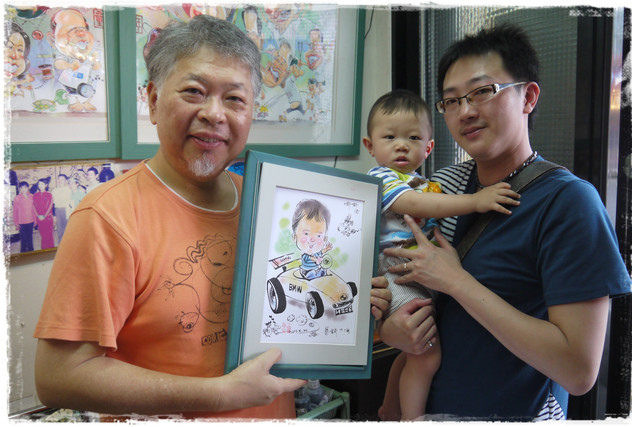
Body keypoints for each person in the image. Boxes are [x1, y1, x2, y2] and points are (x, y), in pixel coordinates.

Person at [32, 14, 392, 421]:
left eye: (235, 99)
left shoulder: (271, 205)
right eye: (194, 91)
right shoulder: (107, 216)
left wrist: (357, 314)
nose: (214, 114)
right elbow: (59, 376)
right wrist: (220, 395)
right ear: (153, 100)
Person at [377, 24, 632, 420]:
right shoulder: (441, 188)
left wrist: (457, 282)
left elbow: (579, 372)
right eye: (451, 101)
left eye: (483, 91)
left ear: (528, 97)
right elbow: (398, 278)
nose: (466, 111)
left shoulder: (567, 203)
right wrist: (388, 329)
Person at [363, 89, 520, 421]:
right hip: (396, 268)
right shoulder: (381, 178)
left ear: (428, 147)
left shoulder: (423, 181)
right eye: (390, 137)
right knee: (426, 356)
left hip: (420, 268)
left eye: (413, 137)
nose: (401, 145)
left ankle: (389, 410)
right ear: (370, 146)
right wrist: (476, 201)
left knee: (412, 352)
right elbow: (414, 205)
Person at [291, 199, 334, 280]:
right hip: (306, 271)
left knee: (323, 270)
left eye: (318, 236)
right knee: (311, 273)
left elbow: (321, 252)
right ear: (294, 237)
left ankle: (319, 273)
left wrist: (327, 249)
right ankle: (311, 275)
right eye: (306, 234)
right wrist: (316, 260)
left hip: (316, 269)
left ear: (324, 239)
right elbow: (310, 258)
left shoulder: (317, 253)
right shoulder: (305, 256)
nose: (312, 240)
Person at [13, 181, 36, 253]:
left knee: (30, 238)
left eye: (25, 188)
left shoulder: (32, 196)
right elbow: (15, 211)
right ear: (19, 189)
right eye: (21, 188)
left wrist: (35, 220)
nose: (23, 189)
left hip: (30, 221)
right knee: (23, 239)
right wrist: (16, 223)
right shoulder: (17, 198)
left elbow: (34, 209)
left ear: (28, 188)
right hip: (21, 222)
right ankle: (23, 253)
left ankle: (31, 252)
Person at [32, 178, 55, 250]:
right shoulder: (35, 195)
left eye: (42, 184)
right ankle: (44, 250)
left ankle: (51, 250)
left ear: (46, 185)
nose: (40, 185)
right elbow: (33, 206)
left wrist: (44, 216)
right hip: (39, 218)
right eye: (39, 184)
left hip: (48, 218)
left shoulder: (49, 194)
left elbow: (50, 205)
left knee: (49, 235)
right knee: (43, 235)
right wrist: (38, 216)